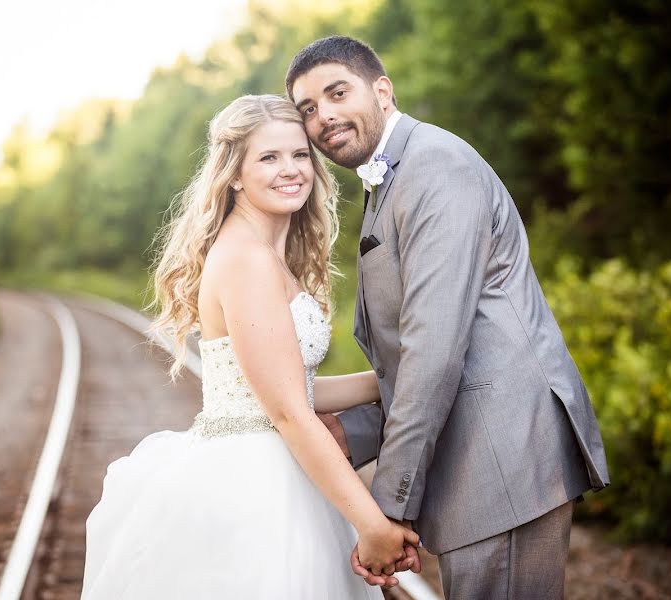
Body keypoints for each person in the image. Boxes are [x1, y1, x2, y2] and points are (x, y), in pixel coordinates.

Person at [286, 36, 611, 599]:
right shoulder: (393, 174)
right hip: (480, 463)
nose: (324, 116)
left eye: (337, 93)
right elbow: (405, 353)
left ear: (382, 91)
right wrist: (358, 431)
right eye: (308, 108)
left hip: (500, 462)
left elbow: (433, 350)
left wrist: (387, 507)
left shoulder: (435, 168)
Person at [80, 94, 419, 599]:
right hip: (256, 485)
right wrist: (371, 525)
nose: (291, 170)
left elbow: (291, 389)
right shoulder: (247, 260)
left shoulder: (260, 252)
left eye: (300, 155)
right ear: (234, 173)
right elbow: (289, 413)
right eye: (269, 157)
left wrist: (391, 381)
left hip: (278, 465)